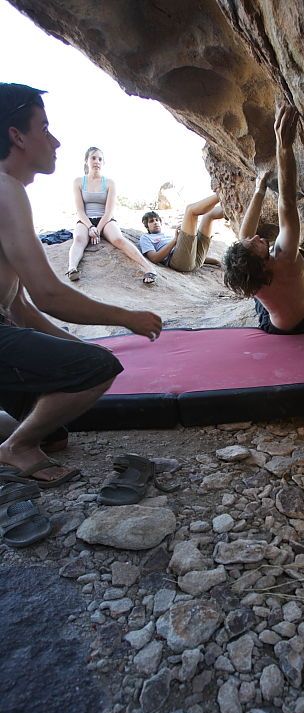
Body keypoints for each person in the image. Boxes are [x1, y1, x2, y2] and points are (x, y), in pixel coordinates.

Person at [0, 83, 162, 486]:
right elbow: (49, 294)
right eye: (44, 127)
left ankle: (23, 437)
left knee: (54, 434)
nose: (54, 141)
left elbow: (20, 308)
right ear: (16, 136)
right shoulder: (5, 190)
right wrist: (127, 318)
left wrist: (71, 344)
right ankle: (14, 449)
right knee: (97, 367)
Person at [223, 104, 304, 334]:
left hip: (279, 328)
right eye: (256, 244)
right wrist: (284, 145)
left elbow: (245, 239)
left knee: (246, 271)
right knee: (298, 253)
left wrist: (260, 190)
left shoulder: (253, 277)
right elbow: (287, 202)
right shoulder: (285, 256)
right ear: (262, 262)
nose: (258, 237)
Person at [67, 146, 158, 285]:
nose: (97, 161)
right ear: (86, 161)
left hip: (106, 219)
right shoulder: (78, 182)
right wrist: (90, 227)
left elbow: (109, 211)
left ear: (103, 163)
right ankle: (72, 268)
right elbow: (79, 210)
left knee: (118, 239)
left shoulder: (109, 183)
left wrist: (97, 230)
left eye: (100, 159)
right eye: (93, 158)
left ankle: (149, 268)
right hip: (86, 220)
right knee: (79, 239)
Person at [139, 194, 223, 272]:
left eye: (157, 220)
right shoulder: (145, 238)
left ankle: (233, 205)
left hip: (194, 261)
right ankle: (221, 193)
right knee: (190, 210)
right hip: (178, 263)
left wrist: (216, 262)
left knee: (209, 215)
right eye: (151, 221)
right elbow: (154, 258)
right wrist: (175, 241)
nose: (155, 222)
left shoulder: (166, 235)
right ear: (147, 226)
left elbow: (190, 253)